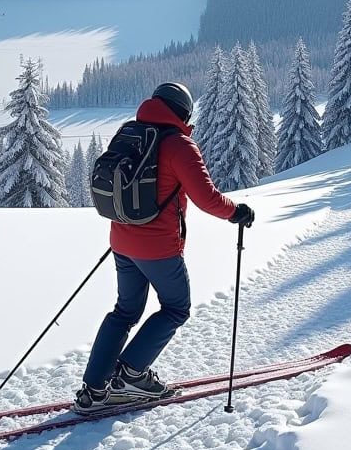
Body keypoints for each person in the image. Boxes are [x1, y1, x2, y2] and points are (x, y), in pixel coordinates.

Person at [76, 80, 255, 412]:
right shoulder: (179, 145)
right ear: (184, 112)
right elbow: (206, 198)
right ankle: (132, 374)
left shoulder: (129, 132)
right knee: (176, 308)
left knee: (125, 311)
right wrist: (237, 213)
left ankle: (93, 390)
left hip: (121, 239)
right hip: (158, 247)